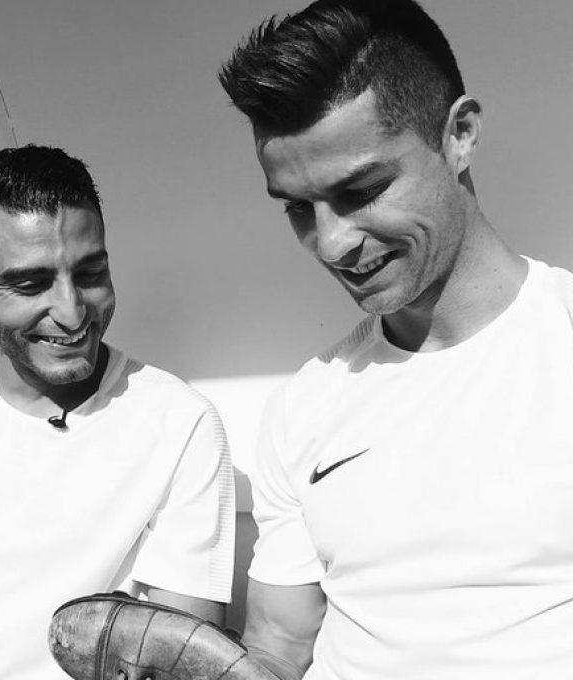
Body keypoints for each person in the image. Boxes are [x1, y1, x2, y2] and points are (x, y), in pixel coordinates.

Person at [218, 1, 573, 678]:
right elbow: (277, 647)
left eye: (362, 190)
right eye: (299, 208)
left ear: (460, 134)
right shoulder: (305, 406)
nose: (331, 244)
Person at [0, 145, 235, 679]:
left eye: (90, 273)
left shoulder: (179, 423)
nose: (72, 312)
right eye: (30, 284)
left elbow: (182, 655)